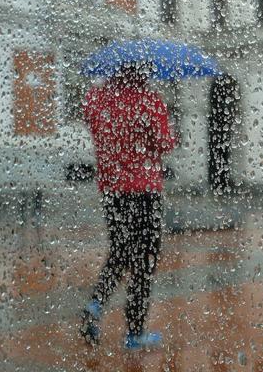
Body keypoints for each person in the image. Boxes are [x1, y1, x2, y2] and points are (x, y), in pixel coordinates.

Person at [80, 62, 177, 350]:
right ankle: (134, 333)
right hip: (144, 190)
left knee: (120, 250)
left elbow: (96, 127)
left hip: (111, 189)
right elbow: (164, 143)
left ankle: (96, 303)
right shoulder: (149, 101)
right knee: (144, 260)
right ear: (140, 73)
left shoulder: (96, 99)